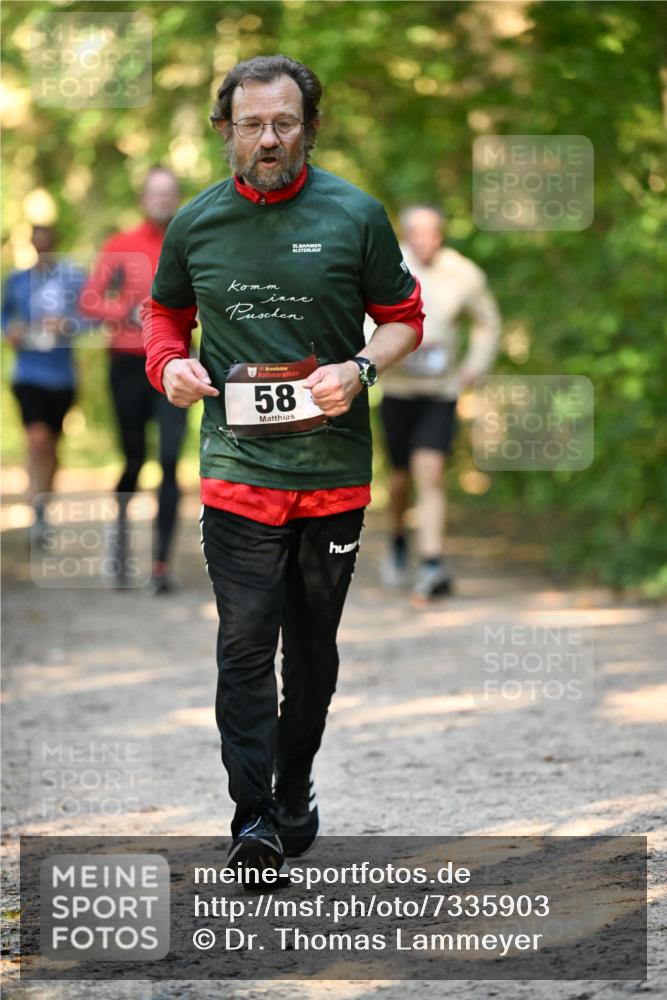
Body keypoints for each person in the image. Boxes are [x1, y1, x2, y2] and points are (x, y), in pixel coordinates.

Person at [141, 54, 424, 880]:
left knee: (312, 652)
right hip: (236, 470)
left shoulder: (355, 214)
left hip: (332, 473)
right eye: (253, 124)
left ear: (310, 126)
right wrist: (171, 369)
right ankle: (254, 816)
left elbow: (403, 319)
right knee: (242, 643)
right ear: (224, 129)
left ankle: (293, 783)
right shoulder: (194, 224)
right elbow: (164, 315)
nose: (269, 139)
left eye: (285, 123)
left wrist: (360, 369)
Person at [379, 204, 501, 602]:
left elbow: (487, 322)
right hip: (397, 390)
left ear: (441, 235)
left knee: (429, 471)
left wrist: (474, 366)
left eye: (432, 232)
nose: (424, 239)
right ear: (407, 233)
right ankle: (398, 538)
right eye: (417, 231)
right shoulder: (387, 261)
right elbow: (364, 314)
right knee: (400, 479)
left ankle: (431, 561)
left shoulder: (463, 272)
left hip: (441, 392)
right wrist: (375, 356)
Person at [79, 167, 186, 593]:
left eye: (169, 194)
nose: (162, 200)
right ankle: (120, 553)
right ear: (143, 199)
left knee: (170, 461)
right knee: (134, 461)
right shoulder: (120, 246)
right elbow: (89, 300)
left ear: (176, 199)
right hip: (127, 364)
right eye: (155, 194)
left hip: (176, 365)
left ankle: (160, 566)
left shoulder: (188, 243)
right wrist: (123, 312)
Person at [2, 225, 85, 544]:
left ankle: (44, 505)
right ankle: (36, 511)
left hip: (62, 376)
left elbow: (91, 315)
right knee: (36, 439)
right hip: (27, 374)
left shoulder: (73, 279)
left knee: (51, 443)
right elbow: (4, 317)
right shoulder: (17, 281)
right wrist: (11, 331)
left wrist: (68, 323)